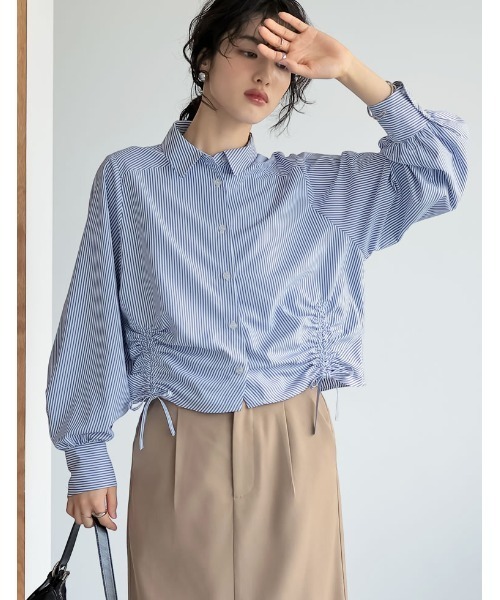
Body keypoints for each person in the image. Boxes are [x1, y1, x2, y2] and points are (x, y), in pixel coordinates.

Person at [45, 0, 469, 598]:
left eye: (284, 65)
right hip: (179, 443)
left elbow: (440, 174)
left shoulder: (318, 189)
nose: (266, 75)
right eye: (248, 52)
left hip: (294, 444)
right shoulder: (129, 179)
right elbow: (94, 321)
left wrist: (351, 69)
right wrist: (87, 456)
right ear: (204, 57)